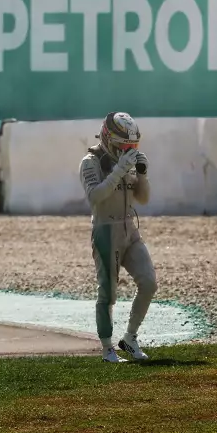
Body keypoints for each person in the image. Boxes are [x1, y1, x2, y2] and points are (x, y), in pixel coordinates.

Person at [78, 111, 157, 363]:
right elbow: (94, 197)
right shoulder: (91, 161)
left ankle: (130, 337)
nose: (128, 151)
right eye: (124, 146)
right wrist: (118, 171)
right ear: (109, 140)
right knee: (108, 293)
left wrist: (142, 175)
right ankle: (107, 348)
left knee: (149, 282)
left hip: (129, 228)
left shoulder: (125, 161)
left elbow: (143, 199)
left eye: (132, 147)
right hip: (105, 230)